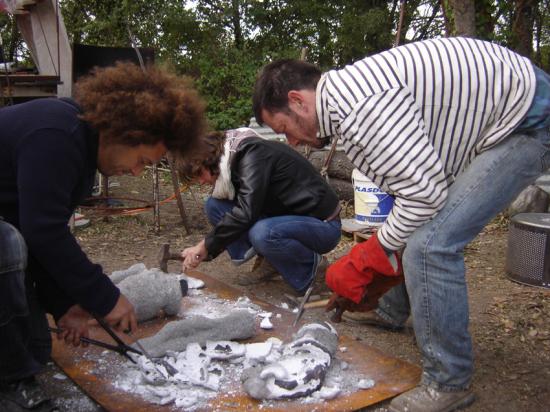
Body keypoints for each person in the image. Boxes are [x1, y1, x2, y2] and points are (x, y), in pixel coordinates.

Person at [252, 37, 550, 412]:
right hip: (500, 115)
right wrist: (384, 247)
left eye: (285, 129)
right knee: (415, 228)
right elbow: (418, 191)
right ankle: (391, 311)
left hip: (526, 120)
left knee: (431, 246)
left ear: (297, 101)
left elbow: (424, 196)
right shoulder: (345, 102)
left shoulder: (360, 109)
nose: (292, 142)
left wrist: (369, 255)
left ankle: (448, 382)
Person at [0, 62, 207, 411]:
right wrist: (105, 297)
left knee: (35, 350)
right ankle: (9, 384)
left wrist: (64, 306)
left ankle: (16, 371)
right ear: (120, 131)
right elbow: (41, 231)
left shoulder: (79, 154)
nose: (137, 171)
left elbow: (33, 232)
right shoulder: (57, 134)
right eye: (141, 159)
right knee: (6, 245)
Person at [179, 127, 342, 295]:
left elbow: (246, 213)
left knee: (263, 232)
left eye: (200, 174)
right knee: (215, 205)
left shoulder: (252, 155)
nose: (201, 181)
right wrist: (207, 250)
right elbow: (247, 207)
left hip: (323, 225)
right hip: (288, 218)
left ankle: (314, 273)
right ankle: (271, 259)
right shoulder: (233, 159)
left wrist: (204, 245)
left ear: (209, 159)